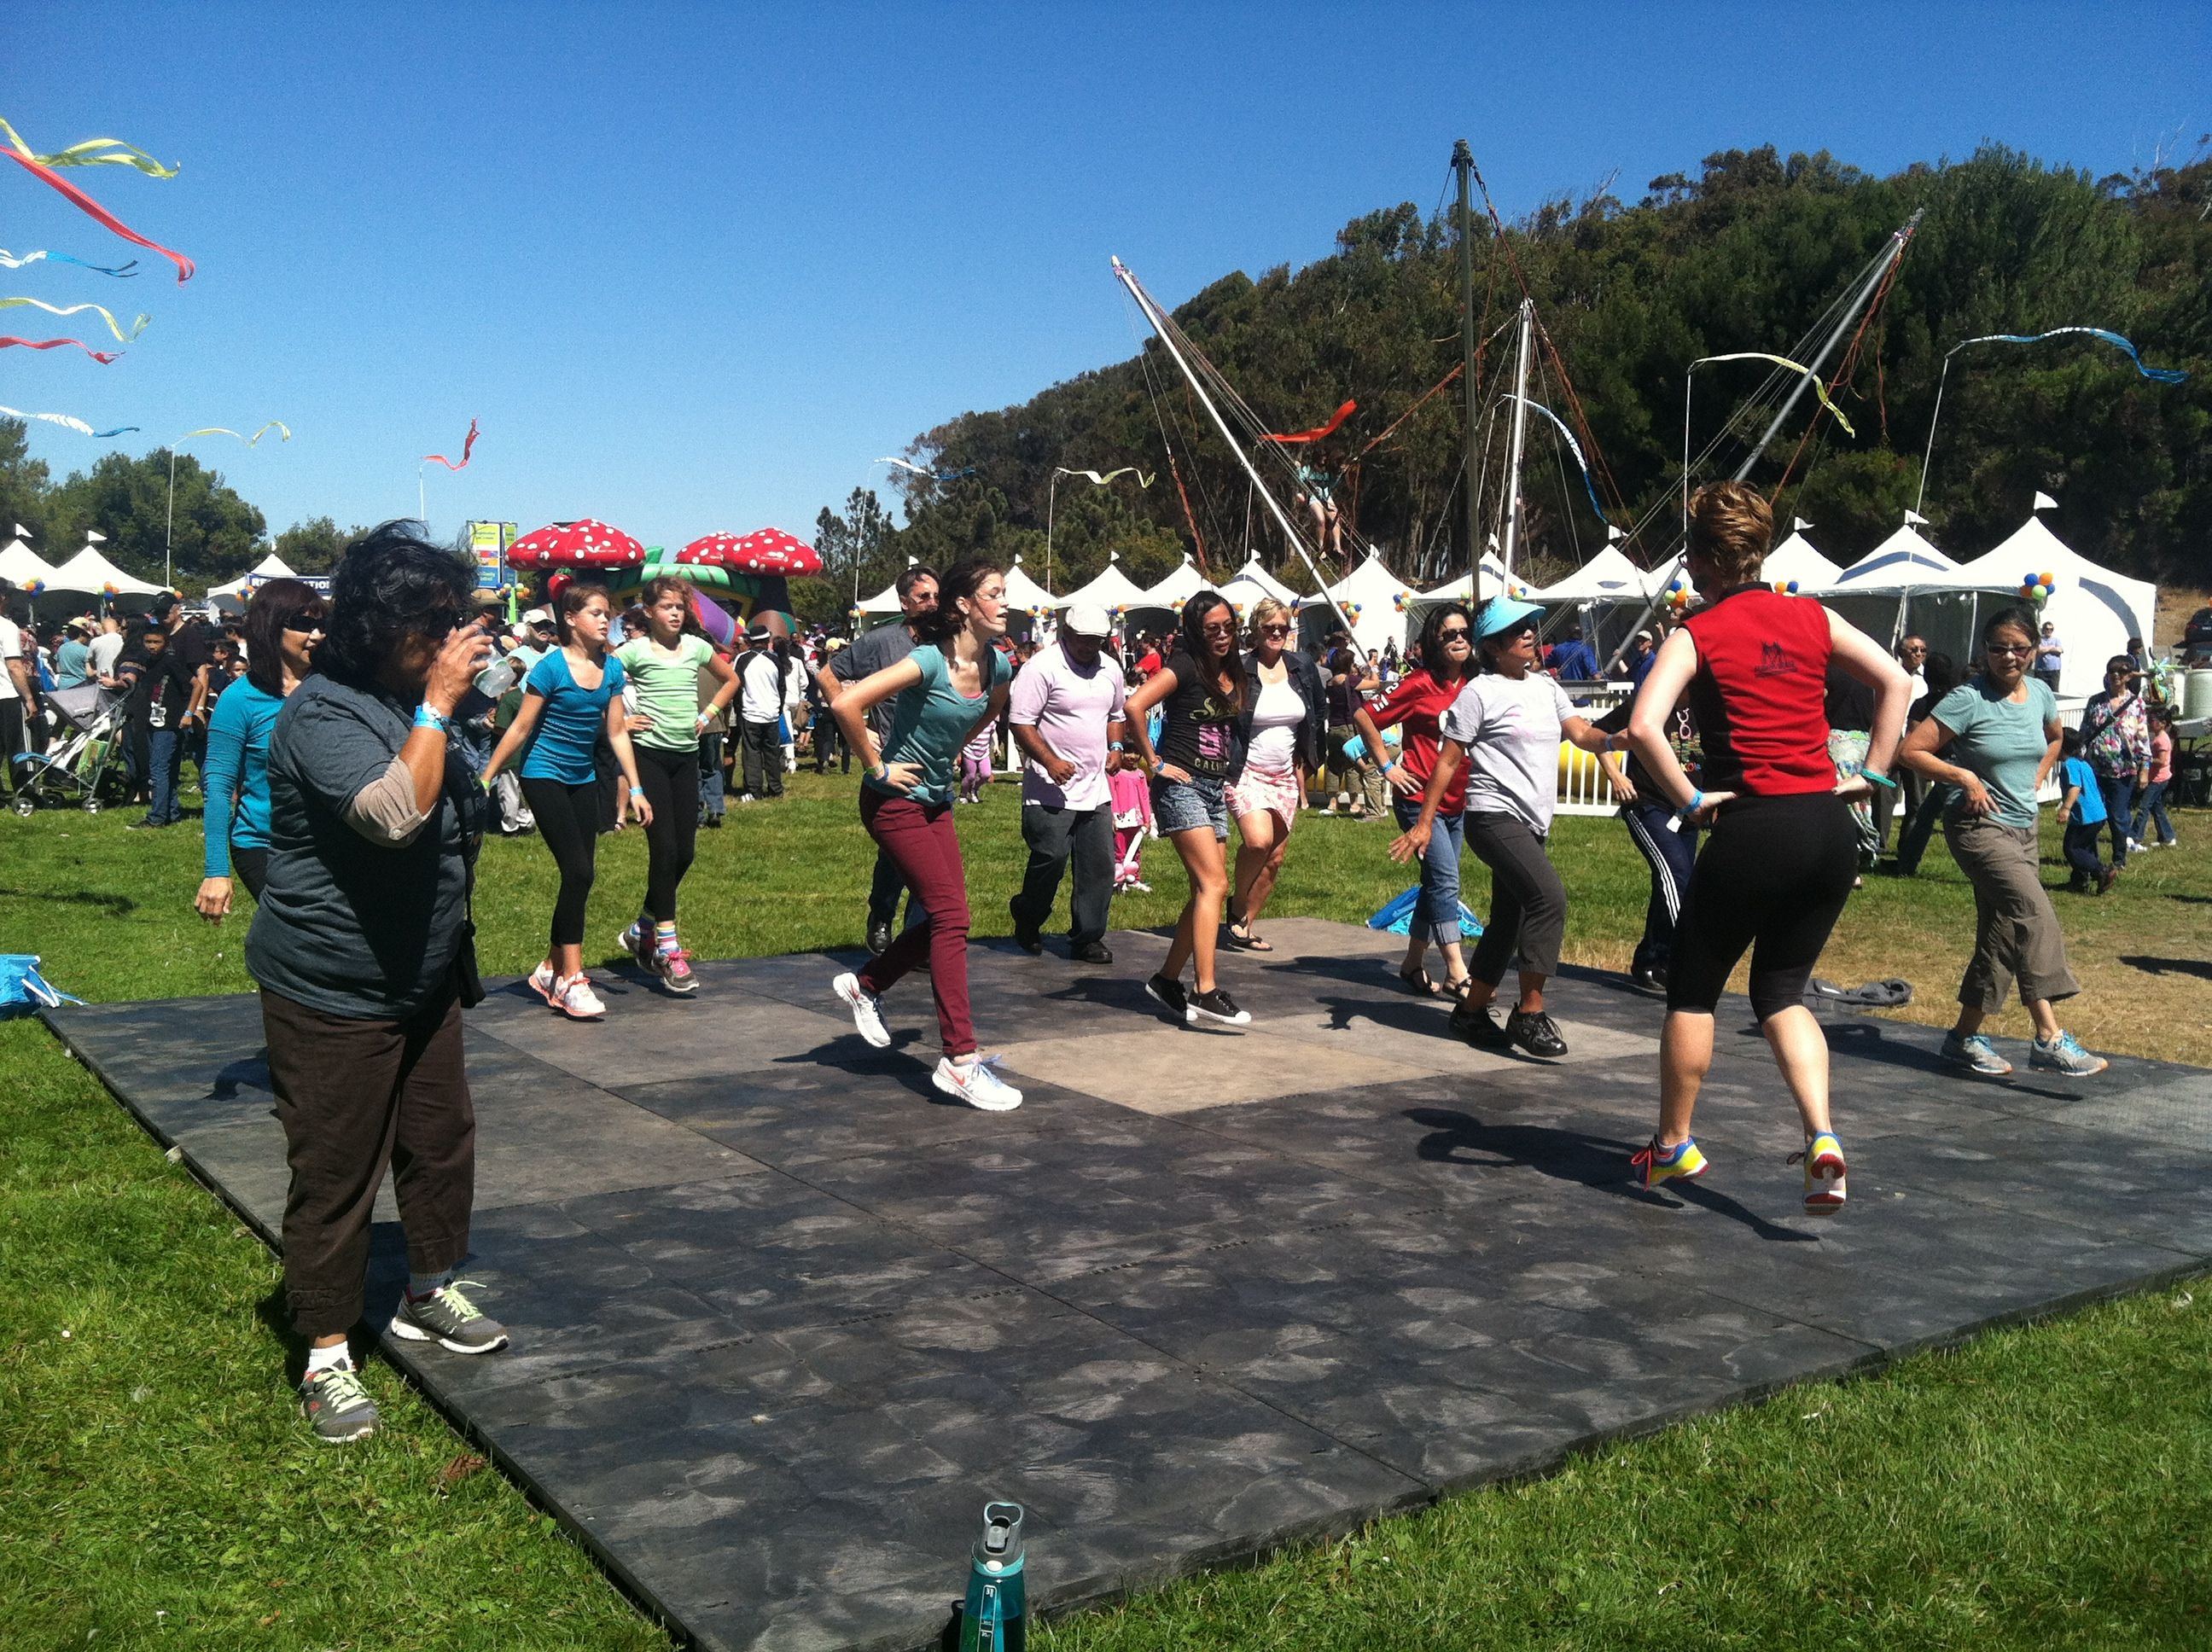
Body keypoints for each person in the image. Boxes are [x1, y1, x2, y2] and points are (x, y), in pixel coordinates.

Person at [245, 522, 507, 1444]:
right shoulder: (320, 713)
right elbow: (394, 816)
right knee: (335, 1171)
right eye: (432, 621)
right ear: (380, 626)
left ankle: (426, 1290)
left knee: (439, 1141)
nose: (449, 634)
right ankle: (324, 1351)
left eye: (453, 617)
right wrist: (439, 703)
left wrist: (461, 702)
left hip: (420, 972)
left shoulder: (409, 694)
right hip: (330, 984)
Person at [1624, 481, 1912, 1213]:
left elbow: (1644, 729)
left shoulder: (1697, 631)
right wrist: (1872, 774)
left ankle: (1672, 1145)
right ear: (1762, 549)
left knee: (1692, 991)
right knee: (1781, 992)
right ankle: (1821, 1136)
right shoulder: (1811, 615)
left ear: (1698, 558)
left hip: (1754, 827)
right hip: (1826, 830)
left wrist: (1688, 800)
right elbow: (1897, 681)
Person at [1391, 595, 1630, 1058]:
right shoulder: (1480, 693)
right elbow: (1448, 760)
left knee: (1509, 917)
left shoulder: (1546, 687)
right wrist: (1424, 823)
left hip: (1533, 819)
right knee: (1548, 897)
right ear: (1494, 647)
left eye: (1530, 628)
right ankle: (1529, 1012)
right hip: (1492, 816)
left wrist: (1619, 737)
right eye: (1518, 630)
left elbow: (1581, 734)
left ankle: (1471, 1011)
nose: (1530, 635)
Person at [827, 560, 1023, 1110]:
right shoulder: (927, 661)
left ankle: (866, 985)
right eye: (994, 594)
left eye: (1004, 593)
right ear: (964, 604)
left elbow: (985, 714)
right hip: (893, 801)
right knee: (953, 918)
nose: (1005, 603)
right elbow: (846, 701)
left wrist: (952, 747)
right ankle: (960, 1060)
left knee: (945, 915)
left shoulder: (1000, 667)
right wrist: (876, 765)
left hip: (935, 800)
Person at [1901, 605, 2108, 1079]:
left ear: (2034, 652)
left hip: (2024, 828)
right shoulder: (1966, 699)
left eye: (2018, 648)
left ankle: (1963, 1038)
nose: (2008, 657)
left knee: (2000, 935)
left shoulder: (2039, 694)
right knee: (2032, 913)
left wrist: (2037, 777)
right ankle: (2049, 1037)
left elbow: (2056, 739)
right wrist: (1964, 776)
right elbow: (1909, 751)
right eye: (1998, 649)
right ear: (1986, 652)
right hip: (1979, 827)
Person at [482, 583, 651, 1021]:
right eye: (595, 612)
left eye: (606, 613)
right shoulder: (551, 669)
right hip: (543, 776)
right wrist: (485, 777)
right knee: (577, 871)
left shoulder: (612, 669)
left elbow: (616, 732)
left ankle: (548, 969)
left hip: (583, 778)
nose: (604, 619)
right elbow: (519, 729)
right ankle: (571, 980)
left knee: (582, 876)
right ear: (571, 619)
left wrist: (635, 788)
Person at [1124, 590, 1254, 1027]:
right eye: (1211, 629)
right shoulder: (1184, 665)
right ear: (1196, 632)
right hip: (1180, 786)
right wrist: (1154, 762)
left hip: (1215, 787)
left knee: (1206, 890)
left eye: (1228, 627)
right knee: (1215, 885)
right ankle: (1205, 989)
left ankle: (1166, 980)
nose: (1222, 636)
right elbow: (1134, 705)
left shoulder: (1234, 670)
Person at [612, 577, 738, 992]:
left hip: (685, 759)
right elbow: (598, 686)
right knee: (663, 850)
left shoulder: (698, 648)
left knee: (684, 853)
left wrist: (709, 713)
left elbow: (730, 680)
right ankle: (667, 948)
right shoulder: (631, 651)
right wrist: (621, 722)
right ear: (648, 612)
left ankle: (641, 928)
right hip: (648, 758)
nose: (675, 613)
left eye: (680, 607)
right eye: (666, 606)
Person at [1352, 600, 1479, 997]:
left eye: (1463, 633)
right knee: (1445, 881)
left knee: (1434, 883)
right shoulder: (1419, 684)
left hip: (1458, 800)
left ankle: (1411, 965)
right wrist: (1388, 766)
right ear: (1433, 642)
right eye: (1448, 635)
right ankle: (1457, 970)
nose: (1458, 640)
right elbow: (1364, 717)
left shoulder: (1476, 682)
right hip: (1418, 797)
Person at [822, 564, 939, 953]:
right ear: (905, 603)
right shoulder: (880, 642)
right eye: (924, 597)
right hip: (893, 762)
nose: (932, 603)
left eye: (937, 596)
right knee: (898, 852)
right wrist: (858, 728)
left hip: (935, 762)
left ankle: (918, 938)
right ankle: (882, 914)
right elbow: (827, 675)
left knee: (933, 857)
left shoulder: (948, 642)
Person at [1006, 601, 1126, 963]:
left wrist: (1117, 745)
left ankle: (1088, 936)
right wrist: (1049, 760)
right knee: (1051, 858)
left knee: (1099, 865)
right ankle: (1028, 916)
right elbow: (1020, 722)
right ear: (1066, 634)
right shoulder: (1041, 668)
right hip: (1050, 785)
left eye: (1097, 640)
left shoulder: (1110, 668)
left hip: (1095, 786)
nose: (1090, 647)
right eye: (1083, 639)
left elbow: (1116, 713)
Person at [196, 579, 325, 916]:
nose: (316, 635)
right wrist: (216, 871)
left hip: (331, 846)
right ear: (270, 628)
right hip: (264, 846)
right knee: (302, 937)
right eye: (302, 624)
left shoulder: (333, 690)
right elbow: (219, 787)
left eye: (319, 624)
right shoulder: (239, 699)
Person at [1224, 596, 1327, 953]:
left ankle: (1244, 925)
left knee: (1276, 858)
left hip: (1284, 774)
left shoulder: (1302, 667)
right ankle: (1235, 905)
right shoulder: (1240, 669)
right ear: (1257, 630)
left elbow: (1316, 712)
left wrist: (1309, 758)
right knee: (1257, 842)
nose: (1278, 633)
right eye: (1270, 627)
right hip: (1245, 771)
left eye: (1283, 627)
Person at [1888, 651, 1959, 876]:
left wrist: (1894, 758)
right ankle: (1906, 865)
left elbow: (1913, 735)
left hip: (1935, 763)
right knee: (1925, 816)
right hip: (1960, 761)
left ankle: (1907, 864)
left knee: (1948, 818)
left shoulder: (1923, 705)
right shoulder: (1960, 702)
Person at [2077, 654, 2151, 873]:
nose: (2116, 676)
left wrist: (2144, 768)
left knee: (2118, 817)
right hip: (2094, 768)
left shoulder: (2136, 703)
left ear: (2129, 676)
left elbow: (2142, 737)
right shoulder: (2096, 701)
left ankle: (2119, 858)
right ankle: (2090, 859)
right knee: (2092, 815)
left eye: (2121, 672)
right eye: (2112, 671)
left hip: (2123, 770)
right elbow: (2085, 732)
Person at [1318, 631, 1384, 818]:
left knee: (1333, 764)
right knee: (1354, 764)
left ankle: (1332, 802)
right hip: (1351, 726)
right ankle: (1354, 803)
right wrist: (1371, 668)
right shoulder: (1352, 680)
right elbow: (1375, 684)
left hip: (1334, 727)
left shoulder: (1331, 683)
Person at [728, 625, 786, 801]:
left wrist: (739, 709)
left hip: (750, 713)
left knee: (751, 752)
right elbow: (781, 687)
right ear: (767, 640)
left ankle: (754, 790)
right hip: (771, 713)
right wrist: (778, 708)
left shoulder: (742, 659)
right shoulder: (774, 660)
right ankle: (776, 788)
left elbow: (736, 686)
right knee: (772, 753)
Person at [2055, 729, 2114, 894]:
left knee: (2072, 848)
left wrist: (2065, 808)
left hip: (2085, 816)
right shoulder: (2083, 763)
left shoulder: (2069, 765)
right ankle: (2079, 881)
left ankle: (2102, 871)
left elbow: (2075, 788)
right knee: (2084, 848)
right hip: (2098, 814)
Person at [2131, 702, 2179, 852]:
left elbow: (2163, 761)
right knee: (2157, 808)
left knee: (2143, 807)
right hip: (2155, 778)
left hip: (2159, 780)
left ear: (2163, 724)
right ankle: (2167, 837)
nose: (2149, 723)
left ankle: (2134, 838)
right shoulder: (2157, 737)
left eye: (2152, 721)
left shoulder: (2162, 740)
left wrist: (2147, 758)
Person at [54, 616, 94, 689]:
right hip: (80, 687)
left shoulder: (61, 648)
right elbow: (90, 673)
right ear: (81, 634)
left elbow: (58, 669)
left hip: (63, 686)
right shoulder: (85, 650)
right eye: (87, 636)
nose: (88, 639)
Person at [2032, 620, 2064, 693]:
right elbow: (2040, 650)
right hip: (2041, 671)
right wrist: (2052, 648)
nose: (2049, 631)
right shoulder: (2039, 640)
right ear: (2043, 629)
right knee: (2039, 692)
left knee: (2054, 692)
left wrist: (2046, 649)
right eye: (2047, 629)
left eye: (2051, 629)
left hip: (2054, 671)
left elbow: (2059, 650)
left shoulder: (2057, 640)